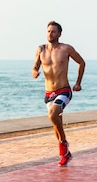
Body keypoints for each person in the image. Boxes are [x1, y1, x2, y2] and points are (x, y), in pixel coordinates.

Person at [32, 21, 86, 166]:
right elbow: (35, 67)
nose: (50, 33)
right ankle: (66, 154)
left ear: (59, 34)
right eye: (48, 31)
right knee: (56, 123)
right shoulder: (41, 50)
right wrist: (35, 72)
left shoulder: (66, 49)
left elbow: (81, 62)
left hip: (64, 90)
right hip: (49, 93)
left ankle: (63, 145)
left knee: (52, 115)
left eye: (53, 31)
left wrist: (78, 82)